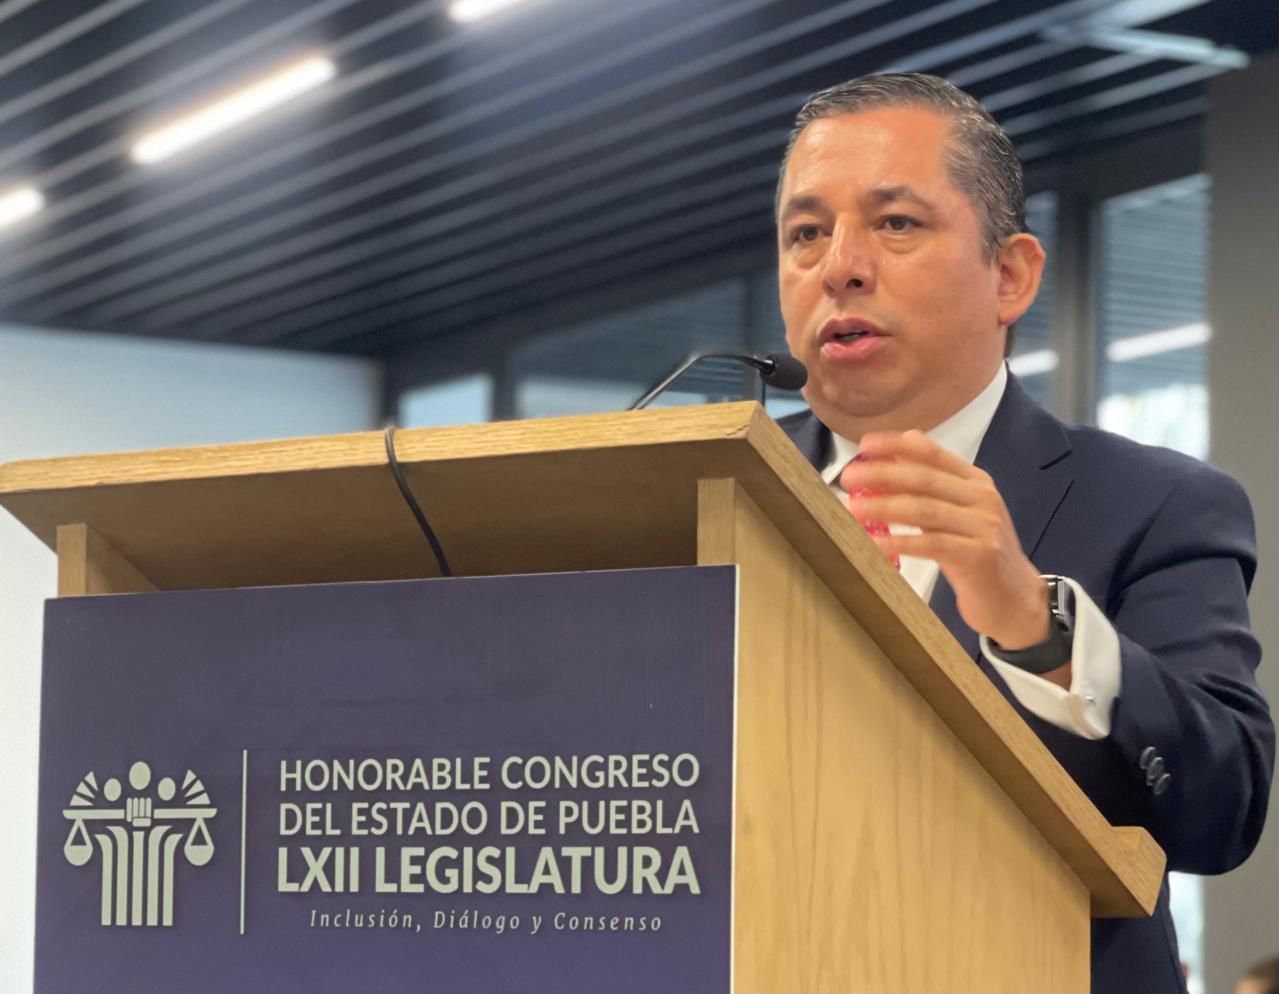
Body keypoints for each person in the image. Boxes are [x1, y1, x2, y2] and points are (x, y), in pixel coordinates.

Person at [773, 73, 1274, 994]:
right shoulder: (710, 492)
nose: (838, 265)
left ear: (1009, 276)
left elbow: (1223, 811)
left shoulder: (1157, 503)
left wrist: (1039, 627)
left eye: (894, 223)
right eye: (805, 232)